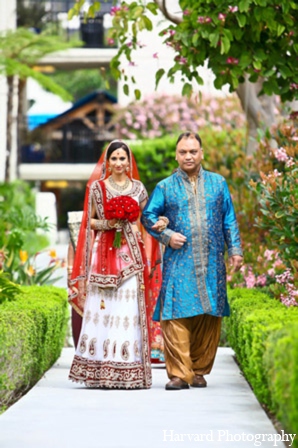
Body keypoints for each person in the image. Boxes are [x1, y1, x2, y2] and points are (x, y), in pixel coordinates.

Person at [141, 131, 243, 390]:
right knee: (175, 313)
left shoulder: (218, 183)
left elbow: (228, 218)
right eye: (183, 152)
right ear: (176, 155)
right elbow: (148, 215)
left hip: (212, 261)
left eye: (193, 151)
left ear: (202, 154)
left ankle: (198, 370)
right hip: (179, 262)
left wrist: (235, 250)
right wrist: (166, 235)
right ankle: (178, 374)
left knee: (208, 314)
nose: (188, 156)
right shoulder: (165, 187)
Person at [68, 140, 161, 389]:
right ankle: (99, 371)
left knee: (128, 307)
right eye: (114, 158)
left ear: (129, 162)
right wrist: (112, 222)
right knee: (104, 308)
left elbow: (148, 217)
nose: (119, 163)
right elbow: (91, 223)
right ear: (107, 162)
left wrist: (159, 223)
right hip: (104, 257)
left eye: (123, 158)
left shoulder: (139, 188)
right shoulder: (98, 188)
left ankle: (129, 369)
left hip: (131, 256)